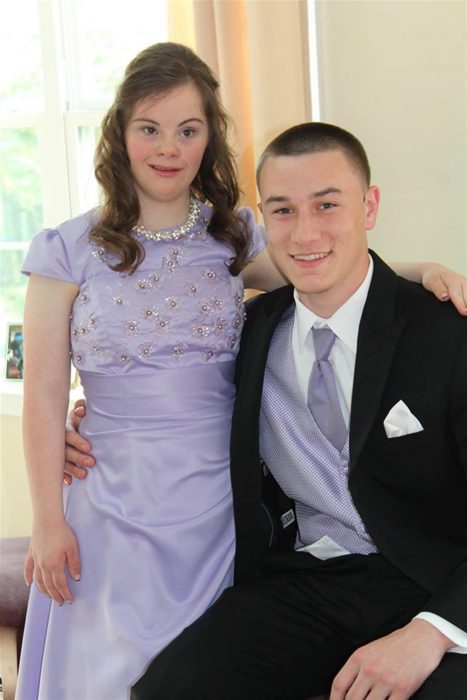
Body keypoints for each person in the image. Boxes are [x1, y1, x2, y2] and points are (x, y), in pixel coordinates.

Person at [21, 41, 465, 697]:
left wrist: (424, 271)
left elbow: (324, 268)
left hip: (213, 503)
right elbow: (42, 393)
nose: (168, 147)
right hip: (111, 495)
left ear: (208, 140)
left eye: (188, 130)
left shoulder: (233, 238)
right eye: (149, 128)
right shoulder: (67, 250)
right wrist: (46, 517)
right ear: (119, 133)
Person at [125, 122, 467, 700]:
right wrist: (80, 422)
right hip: (307, 582)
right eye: (282, 211)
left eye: (327, 205)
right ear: (263, 218)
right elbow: (171, 389)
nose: (305, 233)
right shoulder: (253, 331)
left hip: (434, 583)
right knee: (168, 691)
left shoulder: (447, 332)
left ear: (370, 205)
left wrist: (433, 631)